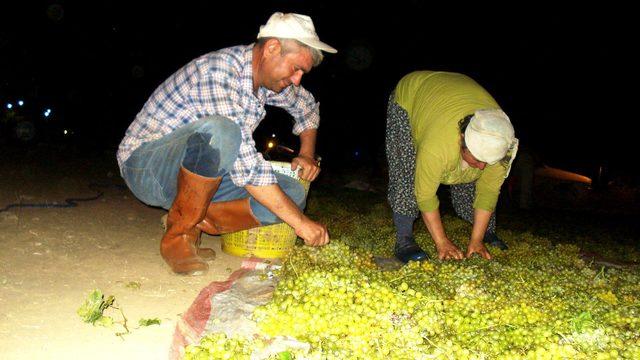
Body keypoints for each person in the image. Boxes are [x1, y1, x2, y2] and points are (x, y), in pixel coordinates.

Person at [117, 12, 336, 275]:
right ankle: (179, 237)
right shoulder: (220, 73)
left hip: (190, 179)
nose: (297, 79)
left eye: (303, 73)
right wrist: (301, 225)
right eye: (296, 68)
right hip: (147, 167)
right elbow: (248, 169)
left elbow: (307, 107)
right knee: (223, 130)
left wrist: (307, 154)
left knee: (293, 194)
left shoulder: (266, 81)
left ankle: (192, 217)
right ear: (272, 48)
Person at [385, 71, 518, 262]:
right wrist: (442, 242)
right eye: (477, 158)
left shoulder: (503, 146)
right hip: (411, 97)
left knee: (471, 178)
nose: (481, 166)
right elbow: (425, 194)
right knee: (407, 170)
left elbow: (488, 191)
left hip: (457, 96)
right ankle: (404, 240)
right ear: (462, 140)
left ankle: (484, 234)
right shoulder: (437, 145)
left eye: (486, 161)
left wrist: (477, 239)